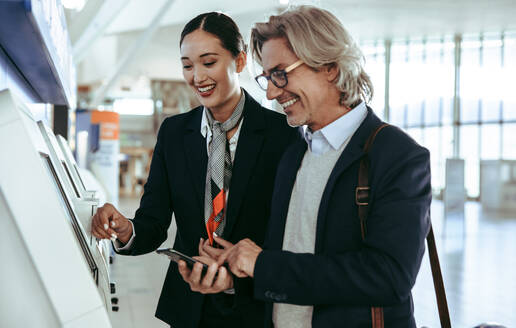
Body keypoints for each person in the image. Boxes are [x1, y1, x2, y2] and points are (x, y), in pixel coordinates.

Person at [208, 6, 432, 328]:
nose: (271, 92)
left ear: (328, 66)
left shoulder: (397, 156)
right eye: (267, 78)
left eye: (280, 74)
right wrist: (233, 279)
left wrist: (264, 265)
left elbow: (389, 277)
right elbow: (288, 259)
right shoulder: (293, 151)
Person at [91, 12, 299, 328]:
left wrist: (234, 276)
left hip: (253, 305)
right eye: (188, 65)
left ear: (239, 61)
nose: (197, 76)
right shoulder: (174, 133)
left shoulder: (282, 135)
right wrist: (126, 230)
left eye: (208, 62)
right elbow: (153, 221)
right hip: (189, 305)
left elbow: (289, 235)